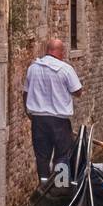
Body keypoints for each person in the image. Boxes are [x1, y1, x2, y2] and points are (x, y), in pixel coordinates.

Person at [23, 39, 82, 181]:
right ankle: (60, 186)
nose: (63, 54)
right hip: (59, 121)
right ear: (59, 51)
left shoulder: (33, 68)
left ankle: (44, 185)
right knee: (62, 154)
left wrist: (29, 113)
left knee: (42, 156)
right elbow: (78, 91)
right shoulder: (65, 69)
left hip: (39, 120)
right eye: (63, 51)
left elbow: (25, 93)